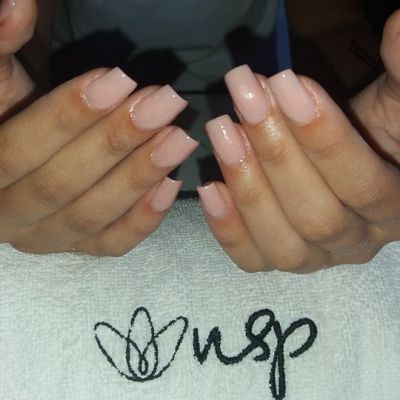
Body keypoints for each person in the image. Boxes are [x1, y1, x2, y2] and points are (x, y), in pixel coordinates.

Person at [0, 0, 399, 275]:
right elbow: (32, 29)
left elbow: (331, 24)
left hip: (265, 140)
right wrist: (22, 109)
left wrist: (350, 131)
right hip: (84, 140)